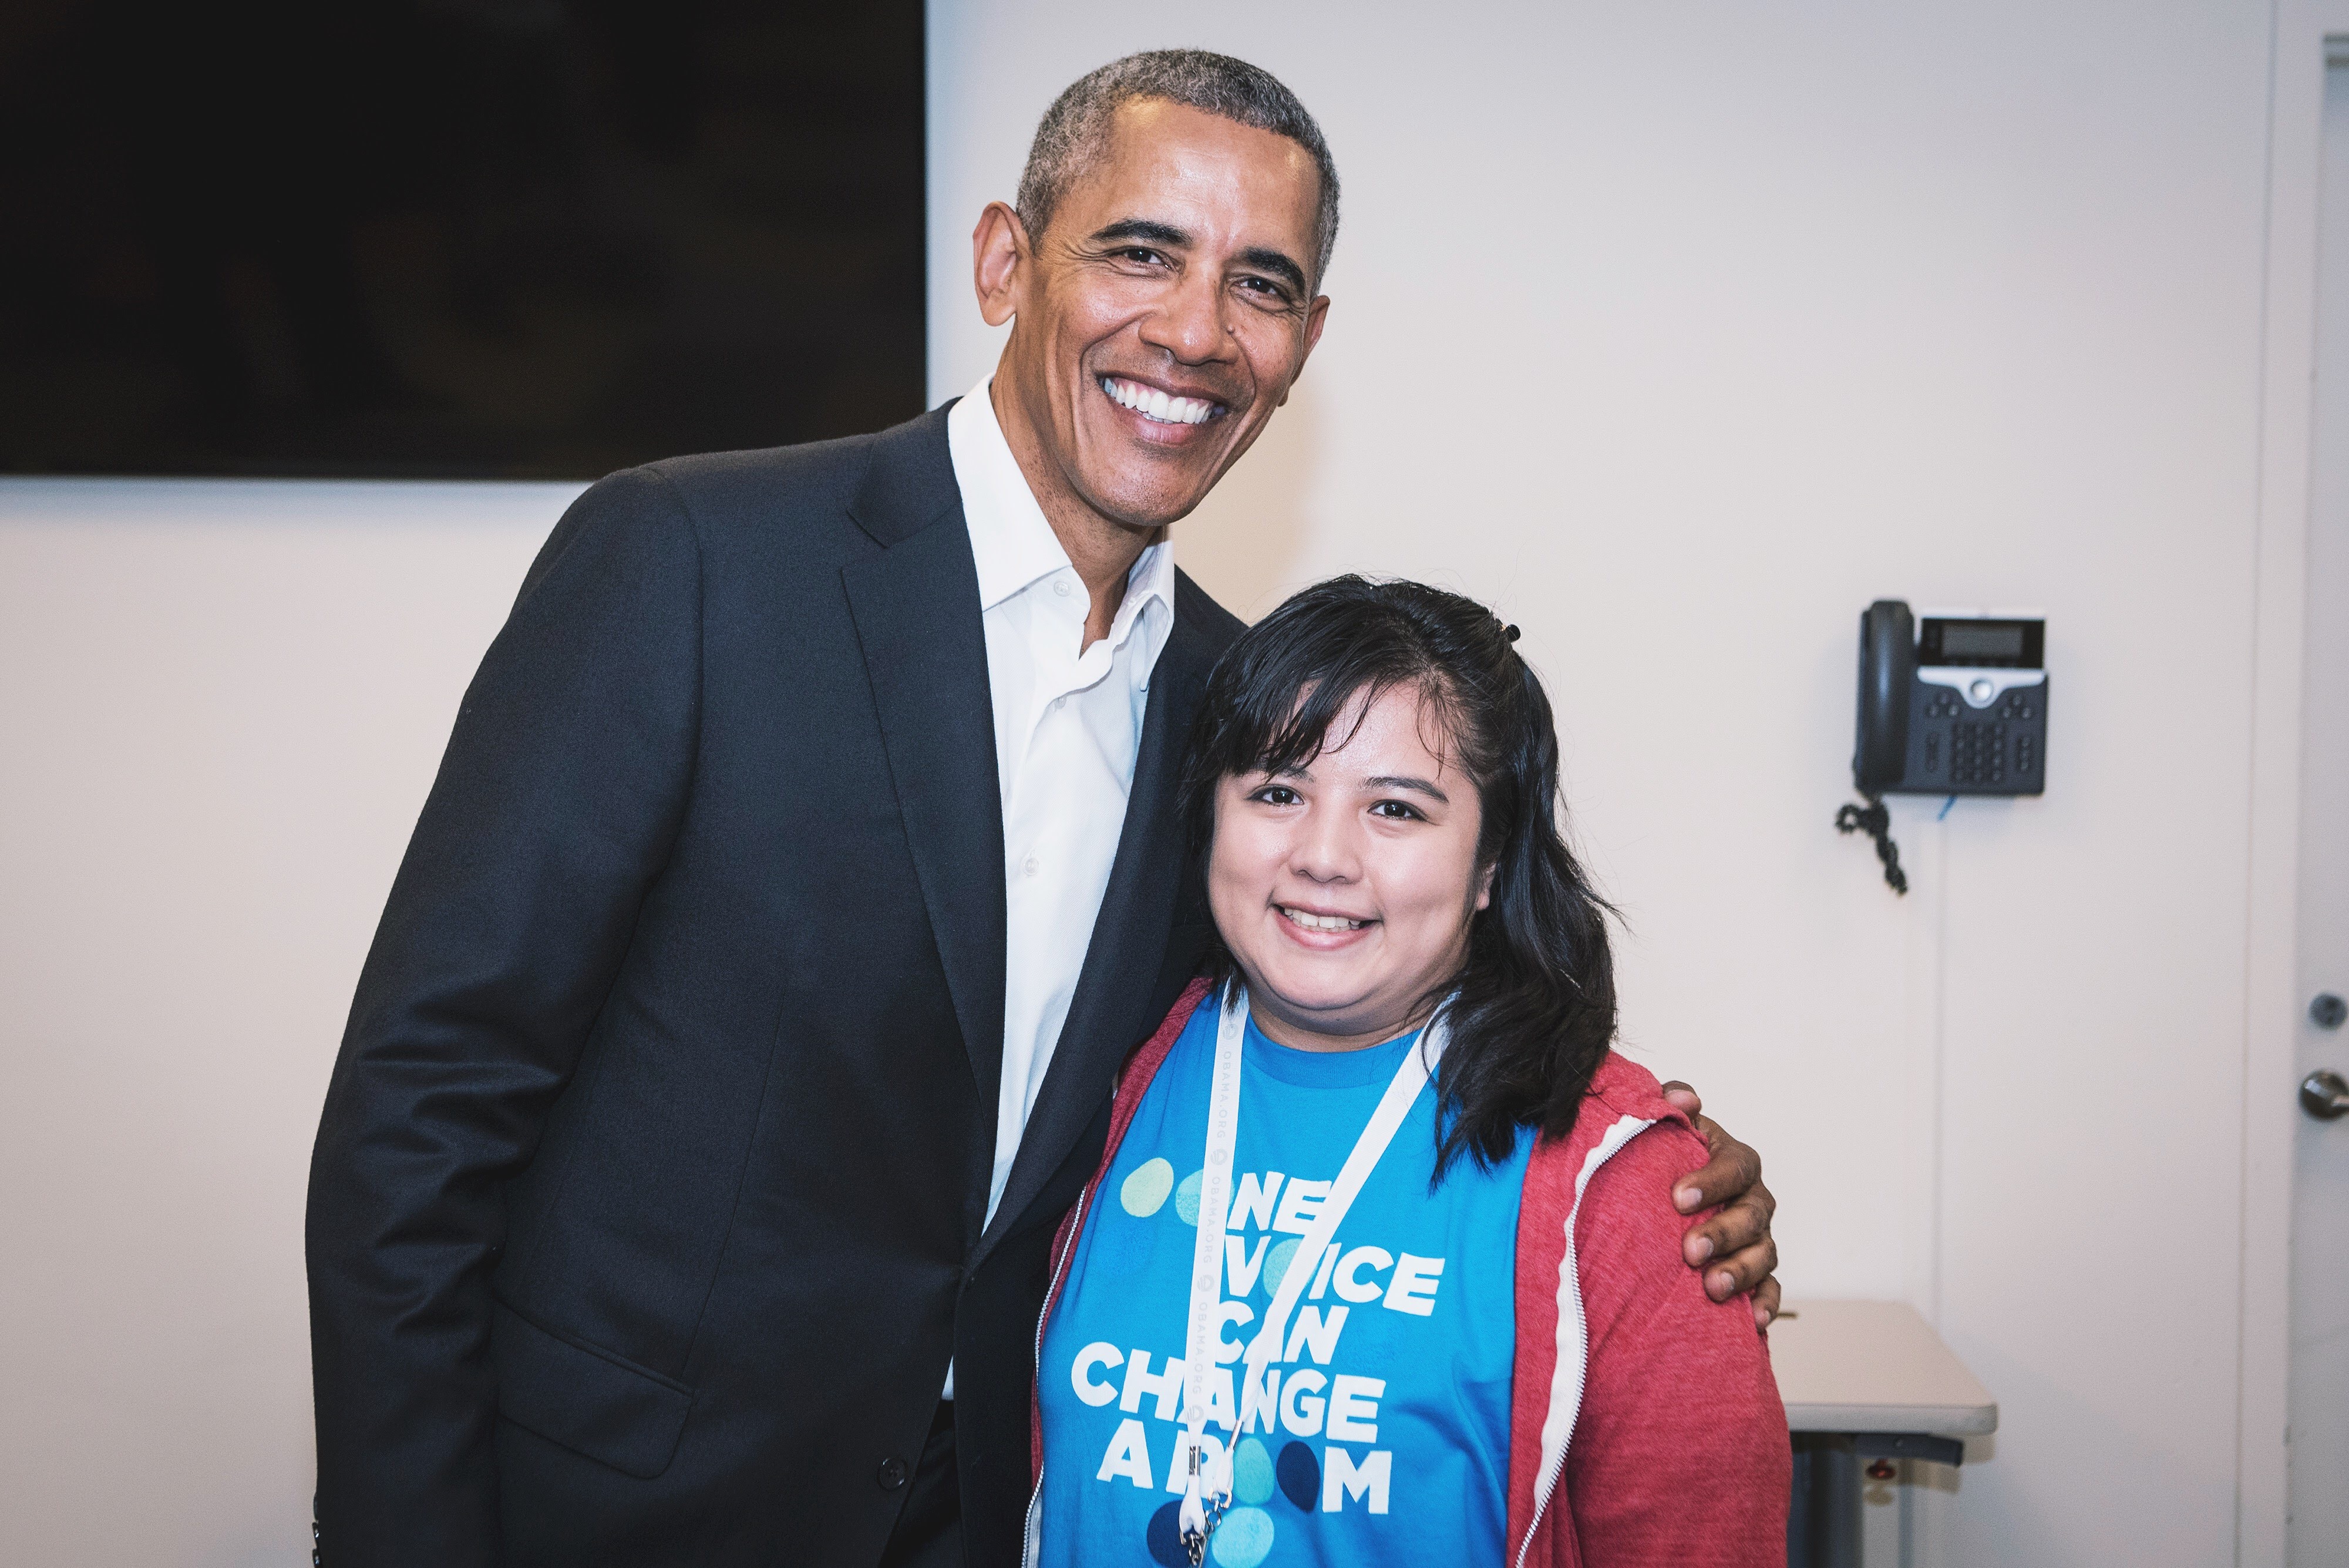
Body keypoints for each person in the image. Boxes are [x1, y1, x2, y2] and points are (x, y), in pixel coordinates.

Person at [304, 51, 1781, 1568]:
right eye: (1141, 250)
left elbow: (1363, 974)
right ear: (1007, 259)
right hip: (618, 1514)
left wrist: (1662, 1172)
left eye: (1259, 285)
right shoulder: (689, 562)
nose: (1195, 330)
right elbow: (421, 1111)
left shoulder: (1237, 704)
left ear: (1305, 340)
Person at [1031, 578, 1788, 1567]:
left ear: (1489, 864)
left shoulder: (1621, 1188)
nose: (1323, 856)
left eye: (1395, 808)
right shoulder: (1108, 1066)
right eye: (1276, 792)